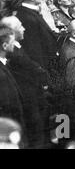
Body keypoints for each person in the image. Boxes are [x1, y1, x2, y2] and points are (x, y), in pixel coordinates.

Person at [0, 16, 51, 148]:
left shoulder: (18, 47)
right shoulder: (13, 56)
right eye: (20, 26)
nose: (24, 28)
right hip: (27, 104)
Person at [0, 28, 25, 146]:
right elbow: (8, 103)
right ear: (5, 46)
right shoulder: (1, 74)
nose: (14, 46)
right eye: (12, 43)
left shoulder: (4, 65)